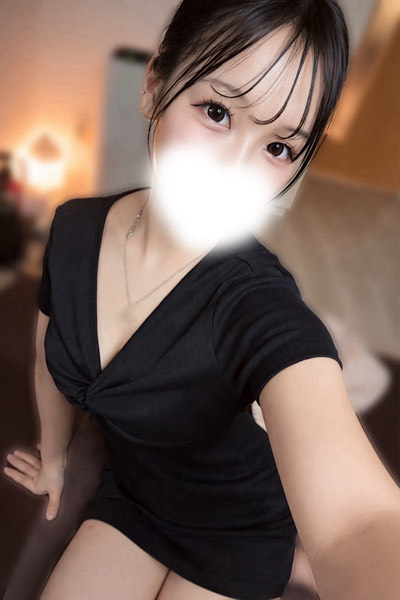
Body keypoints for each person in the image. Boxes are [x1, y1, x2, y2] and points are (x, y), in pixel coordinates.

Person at [4, 1, 400, 600]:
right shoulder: (74, 228)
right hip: (137, 496)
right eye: (217, 112)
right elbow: (47, 351)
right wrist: (54, 458)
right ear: (155, 86)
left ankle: (288, 561)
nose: (236, 176)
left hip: (241, 526)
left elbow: (358, 524)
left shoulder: (258, 303)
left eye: (279, 148)